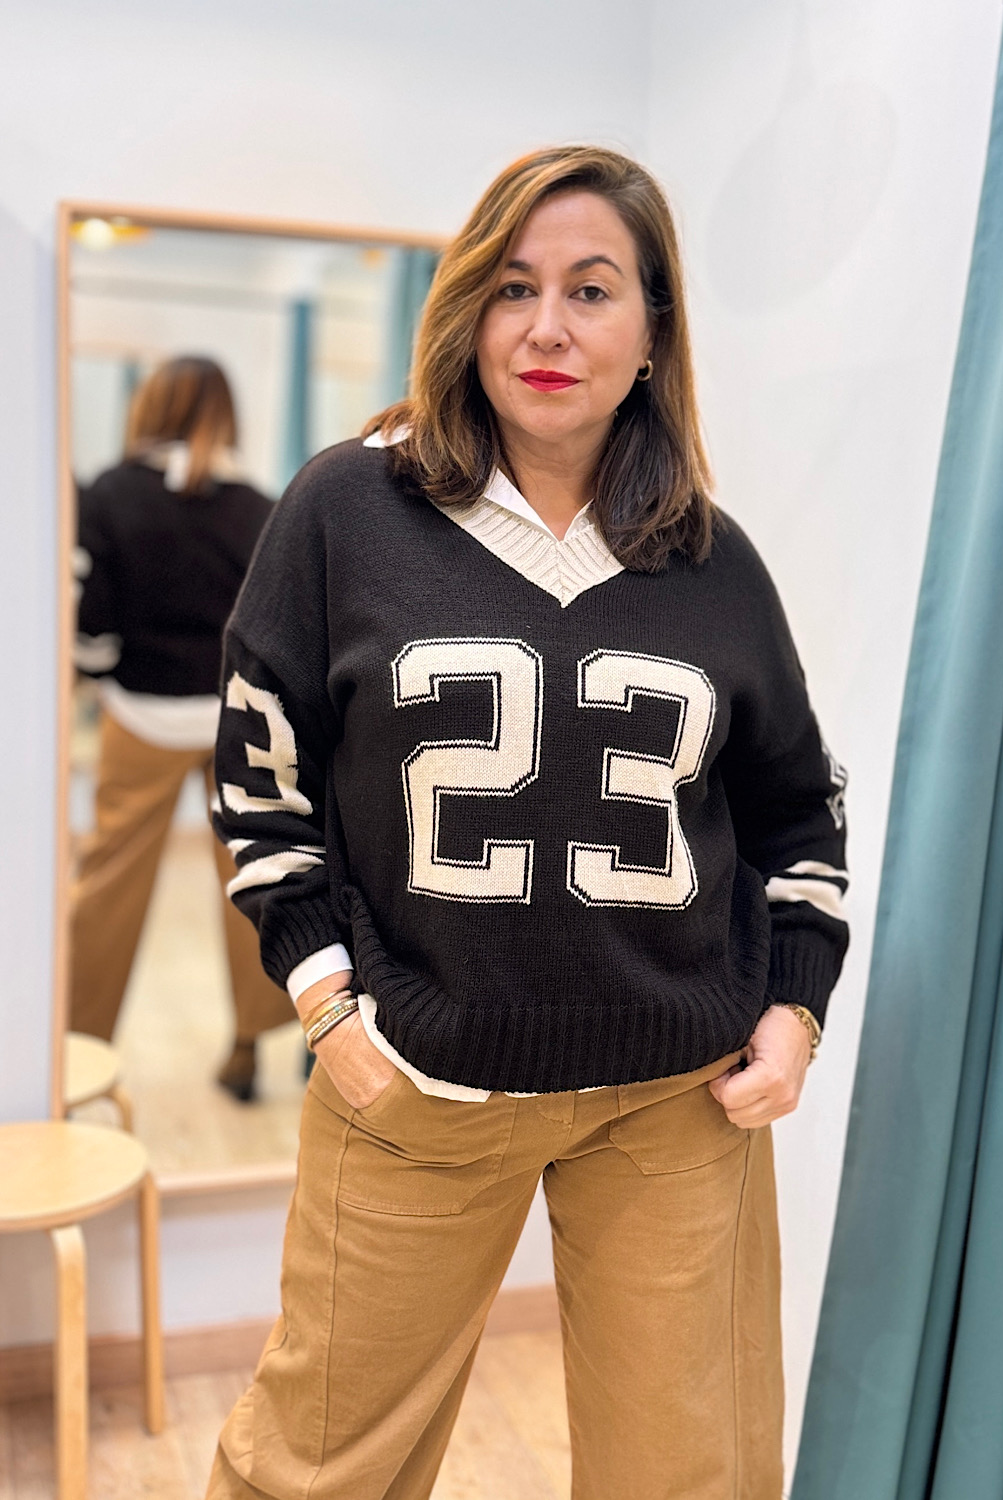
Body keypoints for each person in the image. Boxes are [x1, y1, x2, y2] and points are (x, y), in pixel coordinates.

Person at [205, 146, 848, 1500]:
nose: (547, 327)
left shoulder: (714, 560)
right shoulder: (345, 510)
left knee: (692, 1477)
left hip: (677, 1102)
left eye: (591, 290)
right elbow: (261, 780)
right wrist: (326, 1006)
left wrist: (794, 1010)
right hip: (417, 1083)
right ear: (465, 312)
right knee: (309, 1472)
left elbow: (798, 812)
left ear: (652, 330)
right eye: (513, 287)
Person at [71, 355, 295, 1100]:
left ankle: (76, 1049)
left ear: (150, 408)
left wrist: (96, 671)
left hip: (141, 714)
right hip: (235, 717)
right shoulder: (259, 507)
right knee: (252, 875)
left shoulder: (109, 493)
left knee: (107, 885)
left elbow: (92, 620)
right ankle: (249, 1045)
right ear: (227, 416)